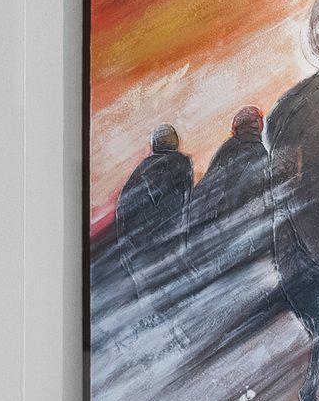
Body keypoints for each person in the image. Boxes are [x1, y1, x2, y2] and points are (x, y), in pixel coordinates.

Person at [185, 105, 271, 280]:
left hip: (219, 224)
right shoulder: (258, 152)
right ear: (258, 126)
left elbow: (209, 184)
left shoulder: (227, 148)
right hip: (239, 226)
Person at [112, 125, 193, 301]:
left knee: (150, 297)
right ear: (175, 143)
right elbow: (184, 210)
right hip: (168, 244)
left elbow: (124, 211)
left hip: (141, 245)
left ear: (154, 144)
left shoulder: (141, 171)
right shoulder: (182, 165)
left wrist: (127, 248)